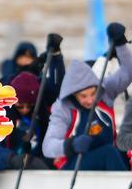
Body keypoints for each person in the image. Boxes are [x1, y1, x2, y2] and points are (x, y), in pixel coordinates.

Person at [43, 23, 132, 171]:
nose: (90, 100)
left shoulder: (105, 91)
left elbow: (128, 72)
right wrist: (71, 145)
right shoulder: (63, 108)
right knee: (109, 153)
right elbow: (48, 147)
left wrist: (121, 44)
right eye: (83, 96)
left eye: (93, 93)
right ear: (73, 94)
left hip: (106, 157)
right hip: (73, 164)